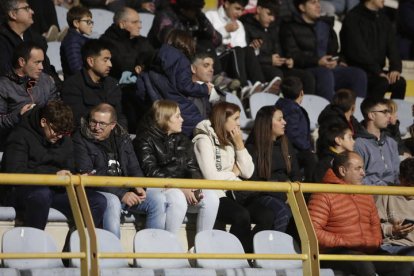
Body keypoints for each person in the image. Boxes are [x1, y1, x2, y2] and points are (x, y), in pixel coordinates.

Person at [0, 100, 107, 230]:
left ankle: (74, 248)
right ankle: (34, 244)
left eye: (64, 133)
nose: (60, 136)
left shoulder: (63, 138)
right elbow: (14, 173)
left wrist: (76, 176)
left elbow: (69, 167)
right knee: (42, 195)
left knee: (98, 201)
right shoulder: (19, 136)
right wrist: (52, 175)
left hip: (55, 188)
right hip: (22, 190)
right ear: (43, 122)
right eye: (56, 131)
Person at [308, 151, 412, 276]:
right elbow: (313, 231)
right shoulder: (323, 194)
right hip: (335, 252)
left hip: (367, 250)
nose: (363, 173)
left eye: (362, 168)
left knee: (403, 264)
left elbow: (375, 226)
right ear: (342, 171)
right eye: (358, 168)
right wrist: (345, 241)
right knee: (363, 264)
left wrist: (374, 242)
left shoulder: (365, 194)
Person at [73, 103, 167, 238]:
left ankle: (151, 251)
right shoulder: (80, 139)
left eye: (102, 124)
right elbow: (89, 176)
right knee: (112, 201)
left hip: (123, 190)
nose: (96, 127)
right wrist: (121, 194)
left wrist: (139, 186)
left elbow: (134, 168)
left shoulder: (122, 138)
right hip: (98, 192)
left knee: (158, 200)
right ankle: (113, 252)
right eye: (93, 122)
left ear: (112, 125)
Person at [193, 101, 274, 253]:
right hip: (214, 194)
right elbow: (211, 178)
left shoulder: (231, 139)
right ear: (223, 119)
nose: (239, 123)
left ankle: (248, 252)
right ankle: (236, 256)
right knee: (241, 215)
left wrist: (239, 145)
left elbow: (248, 172)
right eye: (236, 119)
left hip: (234, 192)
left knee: (267, 215)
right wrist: (234, 173)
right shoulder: (203, 140)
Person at [133, 100, 219, 235]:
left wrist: (195, 186)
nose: (182, 119)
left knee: (212, 198)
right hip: (158, 188)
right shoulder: (144, 139)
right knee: (177, 197)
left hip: (182, 187)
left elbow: (193, 168)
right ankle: (169, 245)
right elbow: (151, 172)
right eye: (177, 116)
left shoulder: (182, 139)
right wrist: (180, 187)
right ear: (165, 119)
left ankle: (201, 248)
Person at [280, 0, 367, 101]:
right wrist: (317, 61)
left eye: (318, 2)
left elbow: (334, 50)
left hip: (328, 68)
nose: (318, 5)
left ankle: (358, 113)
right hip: (307, 68)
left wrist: (337, 60)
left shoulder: (325, 25)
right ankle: (327, 114)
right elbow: (293, 55)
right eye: (313, 2)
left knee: (358, 75)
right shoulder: (290, 26)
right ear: (302, 7)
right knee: (325, 74)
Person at [135, 30, 213, 137]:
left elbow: (142, 91)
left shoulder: (154, 59)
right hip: (181, 109)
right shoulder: (181, 60)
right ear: (187, 42)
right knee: (204, 130)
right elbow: (185, 86)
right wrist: (205, 89)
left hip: (160, 109)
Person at [240, 106, 301, 232]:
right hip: (262, 195)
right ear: (267, 123)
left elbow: (296, 174)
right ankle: (273, 249)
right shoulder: (253, 148)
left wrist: (294, 195)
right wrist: (284, 194)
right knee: (282, 213)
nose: (284, 122)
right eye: (279, 119)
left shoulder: (286, 144)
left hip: (286, 194)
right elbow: (255, 182)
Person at [240, 0, 316, 95]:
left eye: (274, 16)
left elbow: (278, 49)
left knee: (307, 77)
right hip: (259, 66)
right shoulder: (245, 25)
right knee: (276, 74)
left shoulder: (273, 27)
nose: (272, 19)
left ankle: (304, 108)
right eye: (269, 14)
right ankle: (272, 107)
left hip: (277, 66)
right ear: (259, 9)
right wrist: (269, 60)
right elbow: (246, 55)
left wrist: (286, 60)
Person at [340, 0, 406, 99]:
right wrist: (377, 71)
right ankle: (370, 112)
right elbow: (358, 51)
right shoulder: (353, 18)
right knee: (381, 82)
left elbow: (392, 47)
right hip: (358, 70)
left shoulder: (384, 19)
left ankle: (393, 113)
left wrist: (395, 68)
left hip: (376, 70)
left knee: (399, 82)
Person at [0, 41, 59, 150]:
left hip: (44, 142)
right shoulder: (3, 86)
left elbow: (57, 108)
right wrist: (18, 115)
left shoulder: (46, 80)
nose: (41, 67)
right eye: (37, 62)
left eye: (42, 62)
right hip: (15, 145)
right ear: (22, 62)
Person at [61, 39, 127, 128]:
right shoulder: (72, 86)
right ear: (91, 61)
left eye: (110, 60)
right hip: (87, 137)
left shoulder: (112, 84)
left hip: (113, 135)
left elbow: (119, 115)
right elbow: (78, 120)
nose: (110, 64)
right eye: (105, 60)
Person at [0, 0, 61, 86]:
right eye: (26, 8)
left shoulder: (35, 39)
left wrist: (57, 85)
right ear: (13, 14)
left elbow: (47, 68)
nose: (32, 12)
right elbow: (6, 76)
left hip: (45, 93)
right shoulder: (3, 42)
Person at [275, 76, 317, 182]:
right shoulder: (293, 109)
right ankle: (309, 191)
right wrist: (307, 147)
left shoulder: (282, 105)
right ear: (301, 93)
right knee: (311, 159)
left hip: (292, 149)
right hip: (294, 151)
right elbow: (292, 133)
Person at [354, 98, 400, 186]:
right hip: (371, 193)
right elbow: (358, 177)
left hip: (393, 192)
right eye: (384, 112)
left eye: (389, 112)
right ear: (371, 115)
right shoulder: (358, 144)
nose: (389, 115)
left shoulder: (391, 142)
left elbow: (397, 174)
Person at [376, 157, 414, 257]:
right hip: (394, 246)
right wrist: (392, 229)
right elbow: (373, 226)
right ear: (400, 178)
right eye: (409, 185)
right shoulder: (386, 194)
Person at [60, 6, 93, 79]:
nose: (91, 25)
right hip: (76, 86)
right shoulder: (72, 41)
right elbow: (77, 69)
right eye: (88, 22)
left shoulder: (79, 39)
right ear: (76, 23)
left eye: (92, 22)